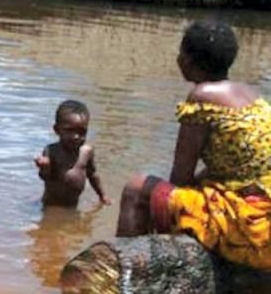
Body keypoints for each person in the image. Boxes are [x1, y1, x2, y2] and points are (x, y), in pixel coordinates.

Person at [116, 20, 271, 270]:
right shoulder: (250, 94)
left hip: (247, 222)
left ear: (187, 60)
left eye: (180, 52)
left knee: (136, 189)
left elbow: (180, 177)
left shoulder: (202, 97)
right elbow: (236, 165)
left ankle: (127, 274)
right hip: (265, 207)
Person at [34, 100, 111, 207]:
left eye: (82, 132)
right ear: (57, 130)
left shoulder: (87, 151)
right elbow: (45, 177)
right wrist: (44, 167)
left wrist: (102, 195)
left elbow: (92, 174)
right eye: (69, 130)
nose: (76, 136)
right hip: (50, 204)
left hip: (73, 205)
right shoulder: (51, 150)